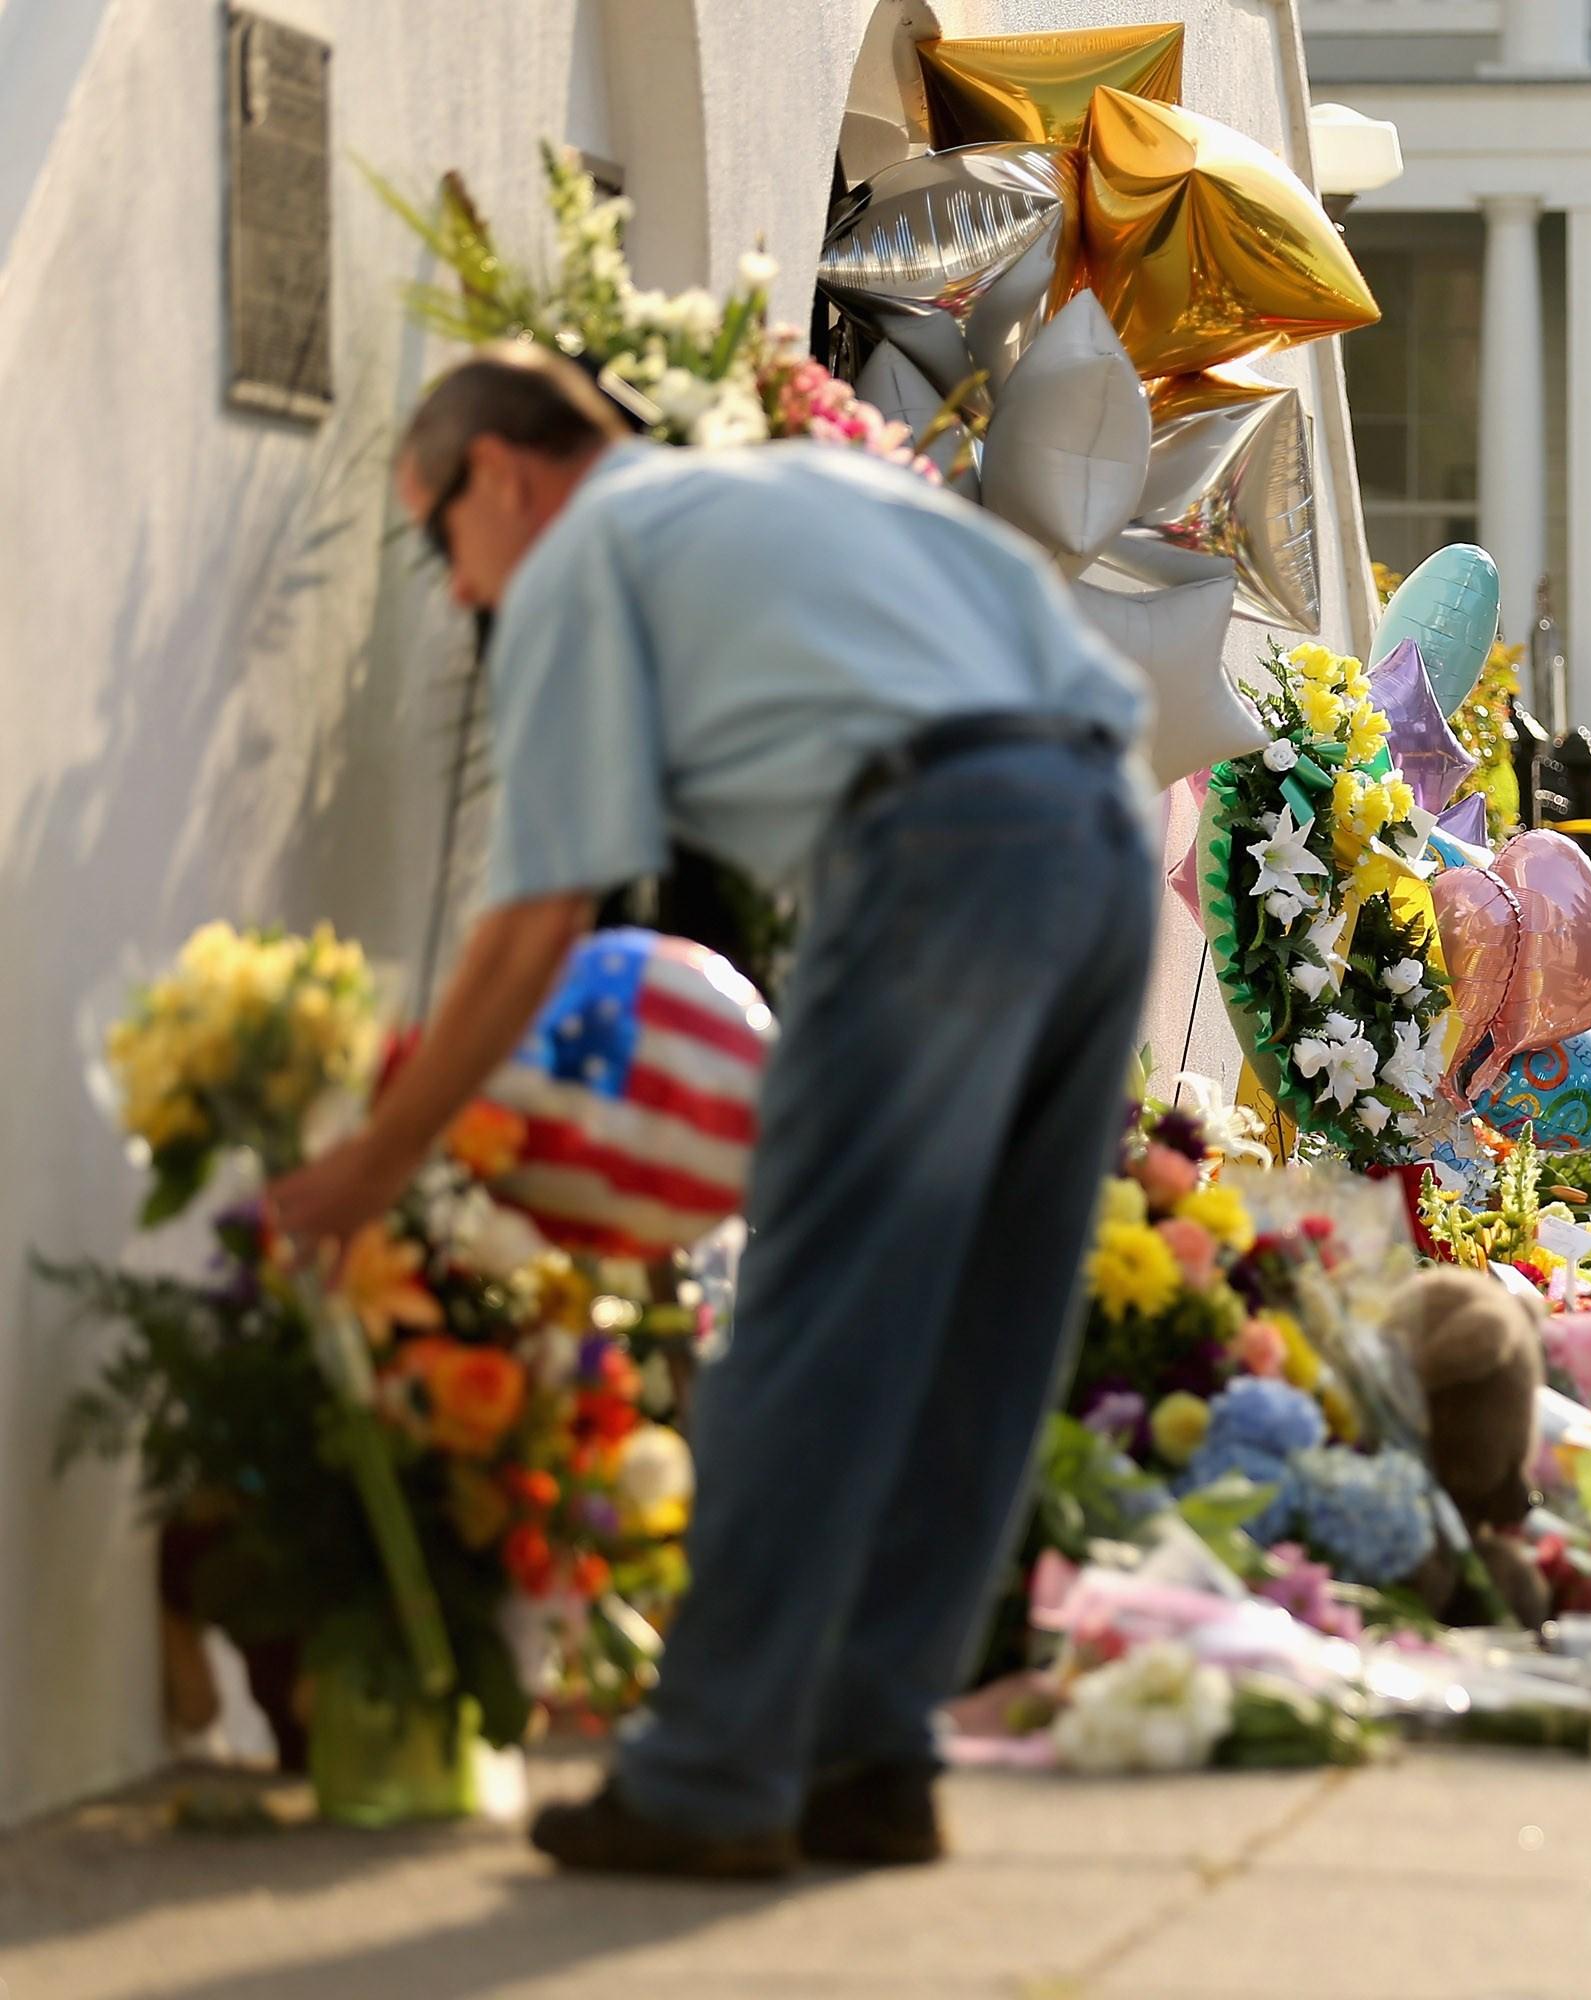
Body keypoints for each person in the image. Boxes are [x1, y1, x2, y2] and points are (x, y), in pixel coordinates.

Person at [266, 344, 1153, 1877]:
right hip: (1099, 844)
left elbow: (539, 917)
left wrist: (367, 1163)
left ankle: (713, 1768)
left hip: (937, 849)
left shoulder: (578, 553)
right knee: (985, 1332)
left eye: (437, 540)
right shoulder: (797, 484)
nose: (459, 588)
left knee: (816, 1308)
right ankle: (871, 1755)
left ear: (502, 474)